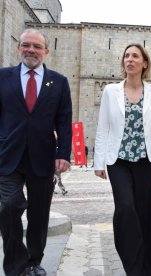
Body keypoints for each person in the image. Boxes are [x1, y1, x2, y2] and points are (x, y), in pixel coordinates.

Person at [0, 29, 72, 276]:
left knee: (39, 214)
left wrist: (63, 153)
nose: (31, 50)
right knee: (9, 206)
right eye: (26, 45)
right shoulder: (3, 77)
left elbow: (64, 120)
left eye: (36, 46)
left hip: (43, 156)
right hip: (8, 155)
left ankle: (33, 262)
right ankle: (14, 264)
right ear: (19, 47)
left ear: (46, 51)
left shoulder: (59, 82)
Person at [94, 43, 151, 276]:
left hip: (147, 160)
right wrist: (98, 162)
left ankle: (147, 269)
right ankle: (132, 267)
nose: (130, 59)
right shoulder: (110, 91)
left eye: (135, 56)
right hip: (118, 160)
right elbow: (103, 127)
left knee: (144, 215)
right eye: (127, 56)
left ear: (144, 63)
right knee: (125, 208)